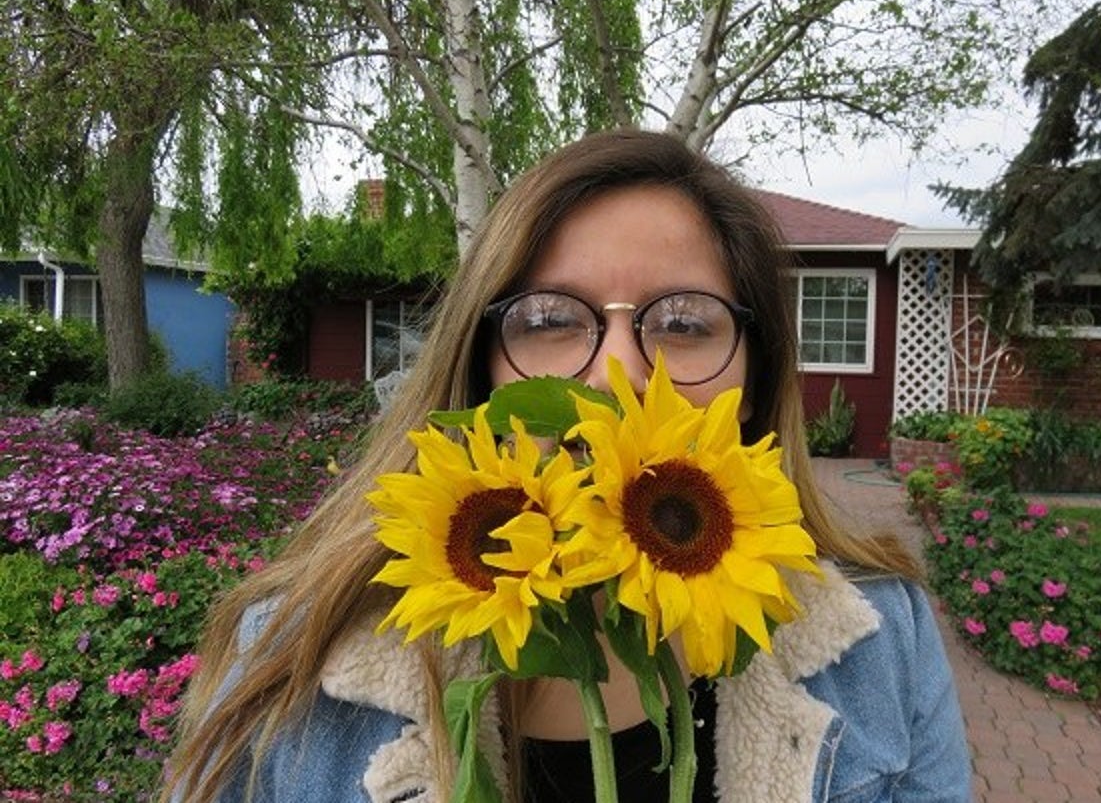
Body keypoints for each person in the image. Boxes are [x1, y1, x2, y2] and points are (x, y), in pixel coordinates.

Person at [163, 129, 971, 803]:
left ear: (753, 381)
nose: (618, 376)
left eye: (685, 323)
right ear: (481, 369)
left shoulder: (881, 640)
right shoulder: (292, 658)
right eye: (550, 318)